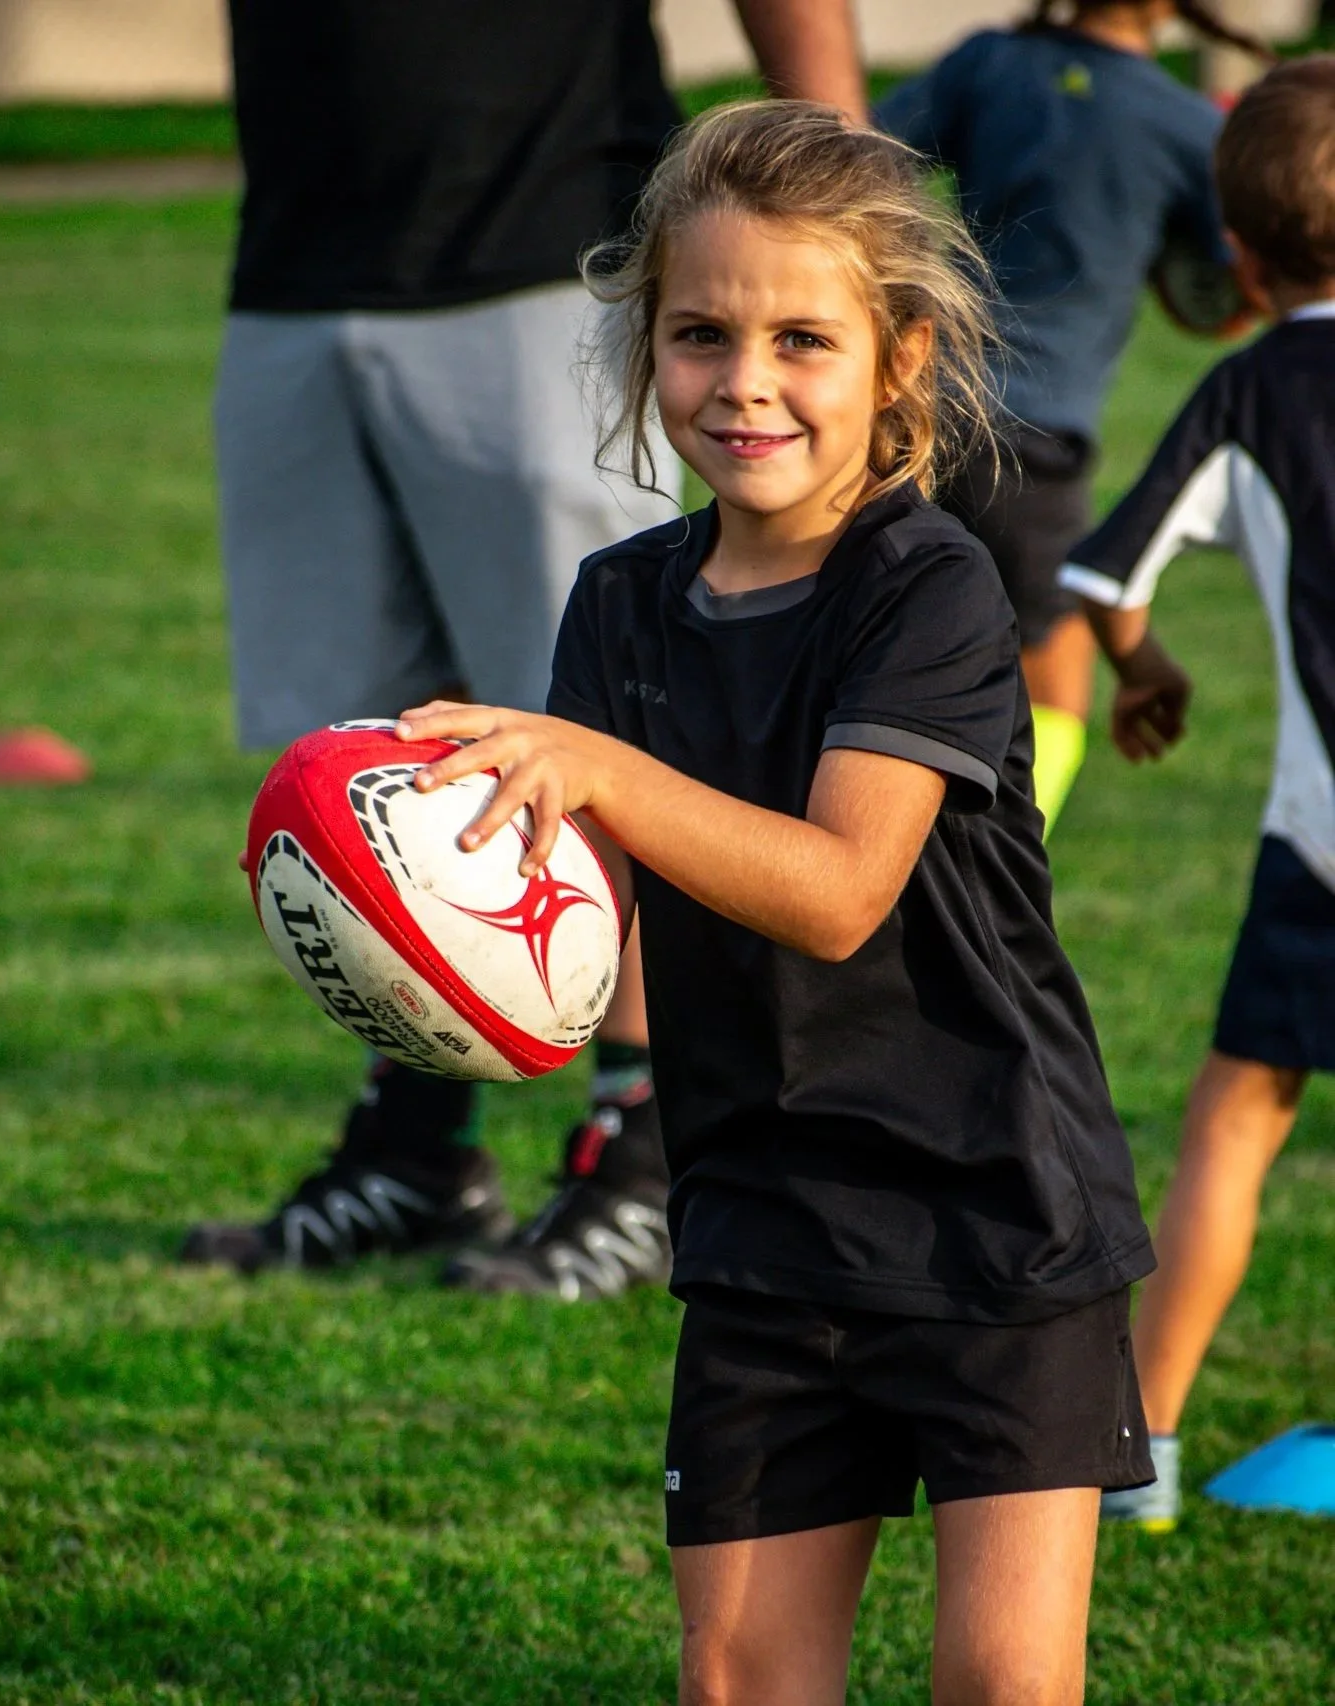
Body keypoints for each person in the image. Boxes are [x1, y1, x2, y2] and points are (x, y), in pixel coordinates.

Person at [395, 102, 1156, 1706]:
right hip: (757, 1220)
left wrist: (593, 767)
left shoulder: (928, 584)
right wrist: (420, 905)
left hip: (990, 1220)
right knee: (739, 1681)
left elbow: (834, 892)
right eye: (698, 332)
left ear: (903, 357)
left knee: (1004, 1681)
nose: (742, 378)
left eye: (800, 336)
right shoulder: (620, 606)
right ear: (644, 351)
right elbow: (585, 922)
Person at [182, 0, 868, 1291]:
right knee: (372, 760)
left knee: (599, 740)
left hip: (546, 237)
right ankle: (417, 1148)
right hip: (295, 254)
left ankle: (652, 1153)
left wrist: (831, 156)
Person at [1061, 56, 1335, 1530]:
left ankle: (1142, 1452)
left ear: (1235, 259)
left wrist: (1146, 669)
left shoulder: (1248, 385)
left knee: (1236, 1117)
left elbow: (1104, 572)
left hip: (1324, 846)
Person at [874, 0, 1270, 835]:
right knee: (1054, 666)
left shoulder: (986, 64)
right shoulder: (1182, 123)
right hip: (1037, 435)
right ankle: (1010, 848)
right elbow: (1238, 287)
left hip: (918, 405)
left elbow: (861, 159)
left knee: (891, 632)